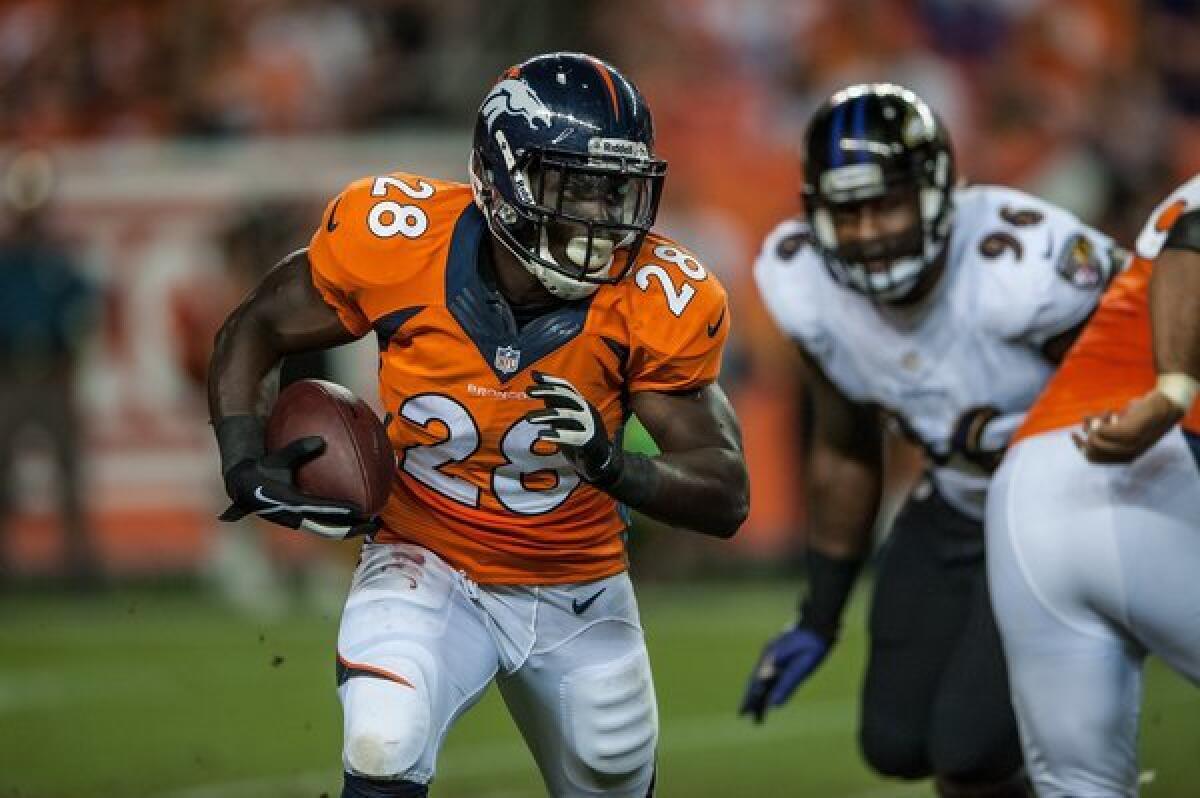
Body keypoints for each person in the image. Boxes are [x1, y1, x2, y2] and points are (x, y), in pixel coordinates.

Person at [208, 52, 749, 798]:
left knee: (613, 776)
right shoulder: (398, 240)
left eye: (616, 191)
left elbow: (726, 492)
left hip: (578, 586)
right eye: (576, 188)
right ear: (502, 176)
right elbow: (255, 326)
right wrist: (241, 455)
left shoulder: (654, 298)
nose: (602, 218)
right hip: (424, 555)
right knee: (382, 736)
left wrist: (612, 464)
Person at [742, 83, 1126, 797]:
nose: (867, 232)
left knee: (970, 749)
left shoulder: (1023, 262)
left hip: (1070, 509)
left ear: (940, 191)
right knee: (897, 742)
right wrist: (819, 615)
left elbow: (1140, 373)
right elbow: (846, 446)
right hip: (957, 499)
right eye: (846, 212)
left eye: (885, 203)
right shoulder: (801, 281)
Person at [986, 176, 1200, 797]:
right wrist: (1174, 391)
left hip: (1032, 494)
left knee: (1079, 787)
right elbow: (1195, 237)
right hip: (1145, 465)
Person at [0, 149, 99, 586]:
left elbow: (82, 309)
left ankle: (77, 567)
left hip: (51, 374)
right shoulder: (10, 261)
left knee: (70, 474)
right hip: (10, 375)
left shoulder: (56, 259)